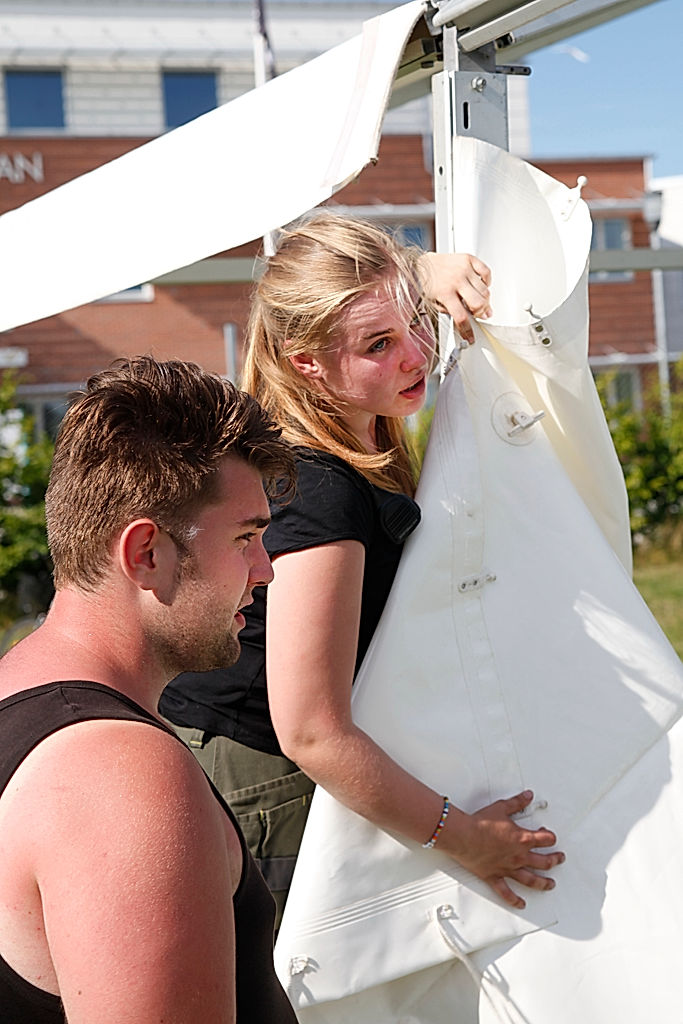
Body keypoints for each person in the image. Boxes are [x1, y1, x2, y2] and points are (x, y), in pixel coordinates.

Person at [160, 214, 565, 928]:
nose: (414, 355)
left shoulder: (350, 425)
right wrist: (469, 841)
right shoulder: (319, 488)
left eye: (415, 324)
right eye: (378, 344)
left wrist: (418, 273)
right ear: (307, 362)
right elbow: (311, 730)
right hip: (258, 781)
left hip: (260, 765)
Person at [0, 356, 299, 1024]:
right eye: (246, 538)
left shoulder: (19, 697)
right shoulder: (118, 775)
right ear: (145, 554)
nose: (265, 571)